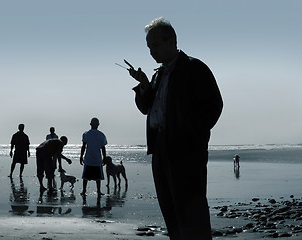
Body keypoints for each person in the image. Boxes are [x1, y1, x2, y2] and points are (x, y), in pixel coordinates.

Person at [128, 17, 223, 239]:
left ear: (172, 41)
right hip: (160, 149)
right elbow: (145, 107)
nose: (151, 51)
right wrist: (143, 84)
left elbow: (213, 106)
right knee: (170, 210)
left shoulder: (193, 68)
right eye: (149, 47)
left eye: (155, 45)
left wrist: (191, 136)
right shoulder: (158, 75)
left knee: (192, 212)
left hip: (186, 150)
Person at [79, 118, 107, 196]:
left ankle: (84, 191)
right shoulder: (101, 134)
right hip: (97, 158)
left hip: (88, 158)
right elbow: (103, 147)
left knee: (86, 176)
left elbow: (83, 146)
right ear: (98, 125)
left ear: (90, 124)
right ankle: (98, 191)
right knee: (98, 177)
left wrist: (81, 156)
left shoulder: (86, 134)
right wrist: (104, 157)